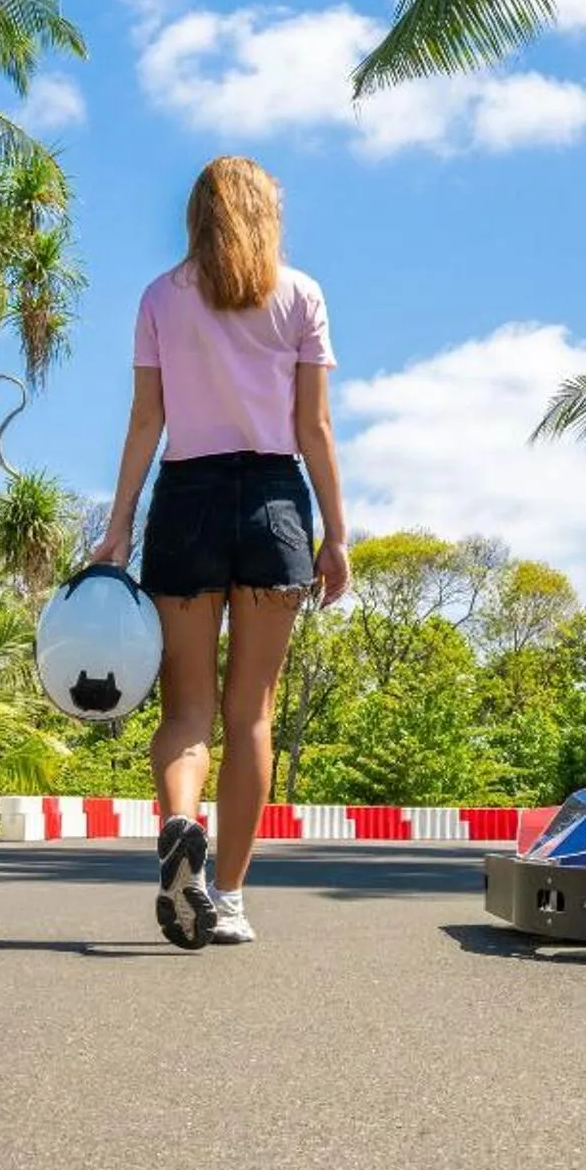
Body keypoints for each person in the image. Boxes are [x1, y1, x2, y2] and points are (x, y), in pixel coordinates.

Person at [94, 156, 350, 948]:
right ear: (264, 214)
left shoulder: (159, 299)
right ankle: (230, 895)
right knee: (252, 717)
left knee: (188, 713)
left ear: (197, 216)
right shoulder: (300, 294)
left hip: (186, 502)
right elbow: (315, 430)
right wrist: (336, 534)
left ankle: (180, 825)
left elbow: (146, 423)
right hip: (273, 503)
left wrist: (118, 525)